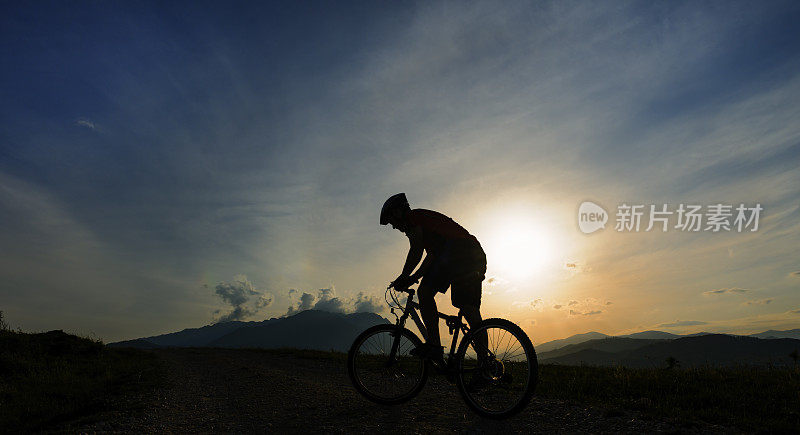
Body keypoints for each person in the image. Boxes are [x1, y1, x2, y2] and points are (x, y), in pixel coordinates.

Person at [380, 193, 487, 363]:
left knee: (441, 298)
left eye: (391, 220)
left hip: (461, 253)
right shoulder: (427, 225)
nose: (393, 227)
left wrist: (404, 276)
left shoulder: (413, 218)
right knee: (439, 297)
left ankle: (439, 348)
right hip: (463, 254)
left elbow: (416, 251)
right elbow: (431, 257)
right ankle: (478, 362)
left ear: (398, 212)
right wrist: (413, 277)